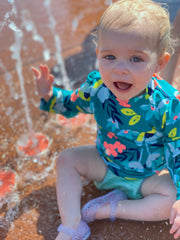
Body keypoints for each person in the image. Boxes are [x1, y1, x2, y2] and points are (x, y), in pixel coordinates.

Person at [32, 0, 180, 239]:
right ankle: (72, 224)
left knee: (172, 199)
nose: (120, 69)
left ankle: (110, 209)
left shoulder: (167, 104)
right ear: (98, 54)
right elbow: (72, 103)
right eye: (110, 56)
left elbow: (177, 150)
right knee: (66, 159)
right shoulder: (98, 90)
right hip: (105, 164)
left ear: (159, 63)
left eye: (135, 59)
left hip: (148, 179)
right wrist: (50, 95)